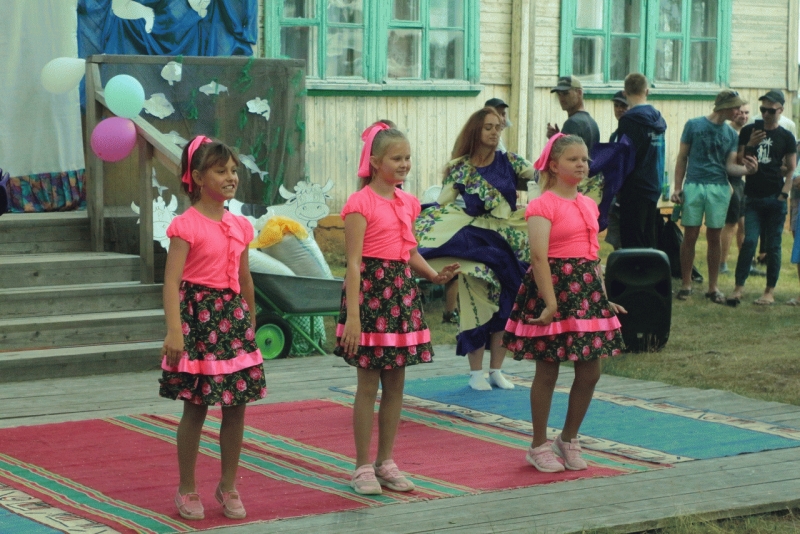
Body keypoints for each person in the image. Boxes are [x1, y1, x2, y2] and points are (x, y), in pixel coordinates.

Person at [337, 123, 459, 495]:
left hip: (400, 295)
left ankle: (385, 461)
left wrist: (434, 276)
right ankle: (361, 466)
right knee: (367, 384)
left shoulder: (408, 202)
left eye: (407, 157)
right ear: (375, 162)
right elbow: (353, 263)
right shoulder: (359, 203)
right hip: (370, 296)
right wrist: (354, 317)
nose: (404, 164)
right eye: (396, 158)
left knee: (396, 383)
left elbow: (408, 251)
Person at [502, 134, 626, 472]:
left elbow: (592, 254)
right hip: (553, 289)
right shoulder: (542, 204)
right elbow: (538, 257)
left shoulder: (588, 204)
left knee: (590, 371)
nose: (582, 164)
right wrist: (550, 302)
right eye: (574, 159)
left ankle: (568, 438)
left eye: (585, 159)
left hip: (586, 291)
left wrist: (603, 298)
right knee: (548, 370)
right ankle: (538, 445)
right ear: (554, 165)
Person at [160, 136, 267, 521]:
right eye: (221, 171)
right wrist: (175, 330)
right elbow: (171, 282)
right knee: (196, 407)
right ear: (198, 176)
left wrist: (250, 320)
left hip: (232, 322)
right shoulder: (185, 226)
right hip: (198, 325)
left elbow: (245, 278)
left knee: (236, 407)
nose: (231, 177)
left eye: (233, 170)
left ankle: (228, 484)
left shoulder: (240, 225)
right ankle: (187, 487)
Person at [415, 107, 535, 391]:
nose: (494, 132)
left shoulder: (511, 160)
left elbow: (539, 175)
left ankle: (496, 370)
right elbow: (443, 202)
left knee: (507, 300)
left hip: (508, 239)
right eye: (488, 127)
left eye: (498, 127)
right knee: (476, 301)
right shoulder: (461, 167)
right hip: (476, 243)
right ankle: (475, 372)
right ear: (475, 131)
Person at [671, 90, 757, 304]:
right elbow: (682, 157)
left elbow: (729, 166)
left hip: (719, 186)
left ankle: (713, 286)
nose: (738, 111)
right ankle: (686, 283)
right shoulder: (694, 125)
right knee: (690, 234)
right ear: (724, 107)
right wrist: (677, 187)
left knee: (714, 236)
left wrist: (747, 171)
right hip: (694, 184)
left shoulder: (731, 134)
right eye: (735, 107)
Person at [729, 90, 797, 306]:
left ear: (781, 110)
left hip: (775, 197)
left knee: (774, 246)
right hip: (753, 196)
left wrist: (784, 193)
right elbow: (739, 160)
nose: (766, 114)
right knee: (749, 241)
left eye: (771, 110)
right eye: (762, 109)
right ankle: (738, 288)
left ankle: (769, 291)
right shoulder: (748, 130)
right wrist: (750, 143)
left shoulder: (786, 136)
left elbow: (791, 168)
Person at [616, 73, 667, 249]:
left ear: (625, 93)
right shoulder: (658, 118)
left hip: (634, 186)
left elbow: (624, 156)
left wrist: (616, 185)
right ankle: (650, 266)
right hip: (654, 182)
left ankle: (635, 267)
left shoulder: (629, 120)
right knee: (648, 236)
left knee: (632, 239)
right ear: (647, 91)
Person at [720, 104, 750, 275]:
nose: (743, 116)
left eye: (746, 113)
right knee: (730, 223)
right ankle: (722, 263)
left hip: (741, 182)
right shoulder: (727, 133)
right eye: (740, 112)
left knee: (744, 224)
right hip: (728, 181)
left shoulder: (745, 133)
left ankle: (746, 263)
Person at [546, 76, 600, 152]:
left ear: (579, 93)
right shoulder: (592, 122)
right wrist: (558, 138)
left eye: (565, 93)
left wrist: (554, 142)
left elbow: (565, 156)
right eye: (559, 94)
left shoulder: (572, 123)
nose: (561, 98)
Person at [604, 91, 629, 250]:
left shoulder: (631, 133)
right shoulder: (615, 135)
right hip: (614, 190)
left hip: (628, 191)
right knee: (615, 236)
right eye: (616, 105)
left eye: (623, 106)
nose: (619, 109)